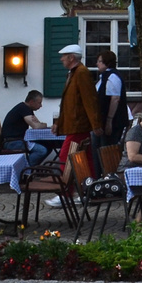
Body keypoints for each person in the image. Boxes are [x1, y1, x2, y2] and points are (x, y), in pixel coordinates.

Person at [49, 44, 103, 207]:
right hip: (76, 125)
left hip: (78, 126)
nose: (61, 59)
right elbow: (69, 103)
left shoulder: (81, 73)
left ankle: (66, 194)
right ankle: (90, 192)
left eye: (64, 56)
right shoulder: (75, 73)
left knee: (66, 158)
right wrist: (59, 123)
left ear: (71, 57)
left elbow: (90, 100)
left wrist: (96, 124)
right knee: (85, 161)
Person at [0, 89, 51, 166]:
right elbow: (36, 126)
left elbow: (38, 124)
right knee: (42, 151)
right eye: (39, 103)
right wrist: (44, 125)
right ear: (31, 102)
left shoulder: (26, 108)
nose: (41, 106)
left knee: (48, 145)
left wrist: (41, 124)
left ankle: (32, 170)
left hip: (15, 141)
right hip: (13, 142)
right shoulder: (24, 109)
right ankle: (25, 170)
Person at [96, 50, 127, 144]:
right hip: (103, 121)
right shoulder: (105, 76)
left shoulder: (112, 76)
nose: (97, 63)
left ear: (107, 62)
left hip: (113, 121)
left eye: (99, 61)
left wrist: (109, 120)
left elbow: (115, 99)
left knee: (107, 149)